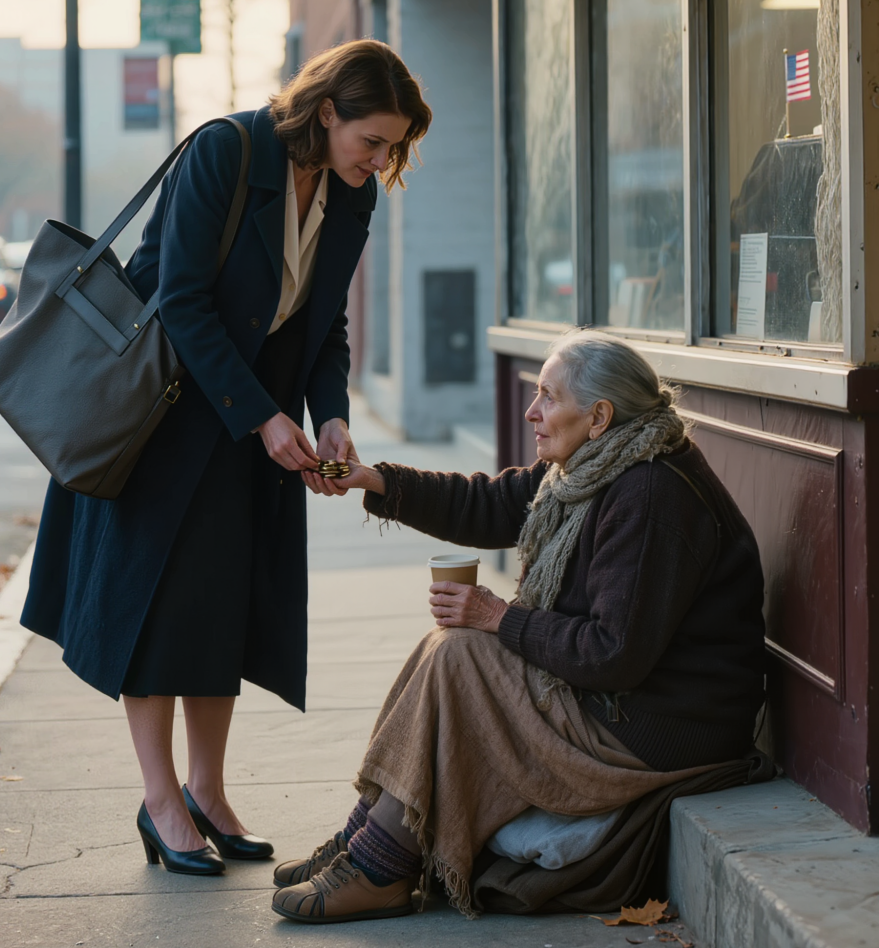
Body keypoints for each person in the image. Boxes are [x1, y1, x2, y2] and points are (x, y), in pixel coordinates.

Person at [19, 40, 432, 876]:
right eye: (372, 141)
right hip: (167, 417)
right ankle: (162, 800)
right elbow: (180, 300)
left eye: (392, 147)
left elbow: (326, 325)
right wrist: (264, 421)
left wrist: (332, 418)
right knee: (155, 605)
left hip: (254, 422)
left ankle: (207, 790)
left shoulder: (352, 197)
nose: (381, 160)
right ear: (327, 113)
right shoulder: (227, 151)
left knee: (223, 606)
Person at [270, 329, 767, 923]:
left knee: (460, 655)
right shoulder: (593, 466)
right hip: (619, 702)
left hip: (652, 729)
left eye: (548, 397)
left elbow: (614, 654)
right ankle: (364, 840)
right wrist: (373, 479)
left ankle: (380, 869)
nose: (531, 411)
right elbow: (491, 503)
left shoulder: (651, 494)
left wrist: (500, 617)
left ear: (599, 416)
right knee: (447, 647)